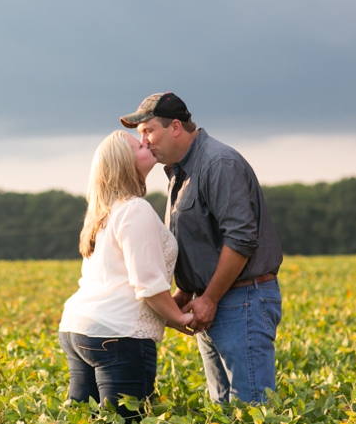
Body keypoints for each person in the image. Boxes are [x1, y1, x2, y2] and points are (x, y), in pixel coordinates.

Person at [120, 92, 283, 404]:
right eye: (140, 134)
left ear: (176, 127)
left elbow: (240, 238)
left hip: (240, 299)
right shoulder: (179, 171)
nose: (145, 141)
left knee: (252, 409)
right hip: (216, 299)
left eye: (149, 131)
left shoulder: (218, 163)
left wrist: (209, 297)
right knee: (223, 408)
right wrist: (186, 290)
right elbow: (201, 241)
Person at [58, 130, 195, 422]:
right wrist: (178, 318)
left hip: (77, 328)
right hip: (118, 336)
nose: (146, 141)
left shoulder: (102, 212)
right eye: (138, 145)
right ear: (124, 162)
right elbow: (147, 283)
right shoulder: (135, 209)